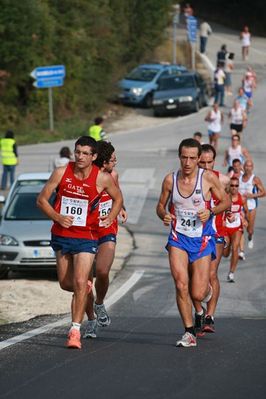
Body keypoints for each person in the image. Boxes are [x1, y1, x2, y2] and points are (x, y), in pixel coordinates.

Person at [37, 136, 123, 349]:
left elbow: (118, 198)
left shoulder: (101, 178)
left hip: (87, 237)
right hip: (62, 234)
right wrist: (58, 217)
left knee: (78, 282)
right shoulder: (61, 172)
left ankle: (75, 330)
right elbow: (41, 200)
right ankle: (84, 287)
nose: (80, 156)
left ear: (93, 157)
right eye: (78, 152)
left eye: (85, 153)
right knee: (67, 284)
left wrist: (111, 216)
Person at [156, 138, 228, 347]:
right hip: (178, 238)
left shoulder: (207, 180)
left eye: (192, 158)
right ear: (179, 157)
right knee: (180, 284)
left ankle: (205, 297)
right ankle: (189, 332)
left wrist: (211, 211)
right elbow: (161, 206)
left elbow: (226, 202)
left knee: (197, 292)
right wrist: (164, 215)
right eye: (184, 157)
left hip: (203, 240)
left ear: (198, 159)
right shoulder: (170, 180)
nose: (187, 162)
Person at [83, 141, 127, 339]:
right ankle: (91, 320)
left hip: (107, 227)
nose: (116, 161)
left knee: (102, 270)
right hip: (86, 230)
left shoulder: (113, 176)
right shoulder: (87, 175)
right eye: (112, 159)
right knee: (83, 281)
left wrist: (121, 209)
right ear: (102, 160)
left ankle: (99, 303)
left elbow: (117, 195)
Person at [197, 144, 230, 334]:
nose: (206, 166)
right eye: (203, 162)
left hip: (216, 232)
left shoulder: (222, 179)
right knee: (196, 278)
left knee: (210, 273)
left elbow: (230, 201)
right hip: (194, 235)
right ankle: (199, 311)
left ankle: (209, 316)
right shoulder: (190, 179)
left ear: (214, 162)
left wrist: (232, 215)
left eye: (210, 162)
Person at [223, 177, 249, 282]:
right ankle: (227, 248)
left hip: (237, 228)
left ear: (239, 186)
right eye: (232, 185)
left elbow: (246, 211)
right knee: (225, 254)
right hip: (225, 228)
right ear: (229, 186)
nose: (234, 188)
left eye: (236, 185)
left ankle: (231, 273)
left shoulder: (242, 198)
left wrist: (245, 220)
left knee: (235, 248)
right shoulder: (224, 197)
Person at [239, 160, 265, 256]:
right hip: (240, 207)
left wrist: (252, 195)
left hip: (251, 207)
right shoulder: (239, 178)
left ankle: (250, 236)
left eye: (250, 166)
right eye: (246, 166)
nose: (248, 168)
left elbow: (263, 192)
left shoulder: (255, 179)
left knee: (249, 229)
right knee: (240, 227)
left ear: (252, 168)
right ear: (244, 166)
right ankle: (241, 251)